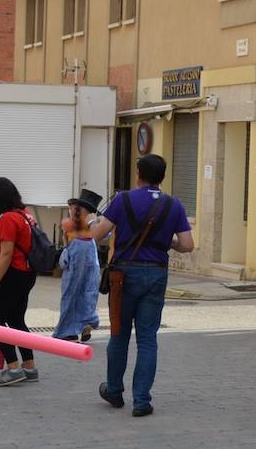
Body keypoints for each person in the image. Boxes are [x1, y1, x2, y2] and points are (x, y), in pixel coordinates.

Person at [92, 154, 193, 417]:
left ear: (138, 174)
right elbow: (187, 245)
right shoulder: (174, 204)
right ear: (162, 177)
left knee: (119, 333)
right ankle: (141, 400)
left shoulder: (123, 199)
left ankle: (114, 390)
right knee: (147, 338)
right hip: (157, 274)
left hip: (124, 274)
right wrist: (164, 242)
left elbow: (98, 233)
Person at [0, 177, 38, 387]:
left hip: (12, 274)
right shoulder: (26, 215)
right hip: (28, 273)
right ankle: (30, 367)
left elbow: (5, 254)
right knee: (16, 320)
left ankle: (13, 368)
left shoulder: (7, 219)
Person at [54, 189, 102, 342]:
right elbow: (103, 234)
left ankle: (69, 330)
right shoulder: (94, 222)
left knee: (71, 292)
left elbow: (66, 244)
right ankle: (86, 322)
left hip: (76, 254)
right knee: (89, 290)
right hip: (91, 252)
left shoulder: (69, 224)